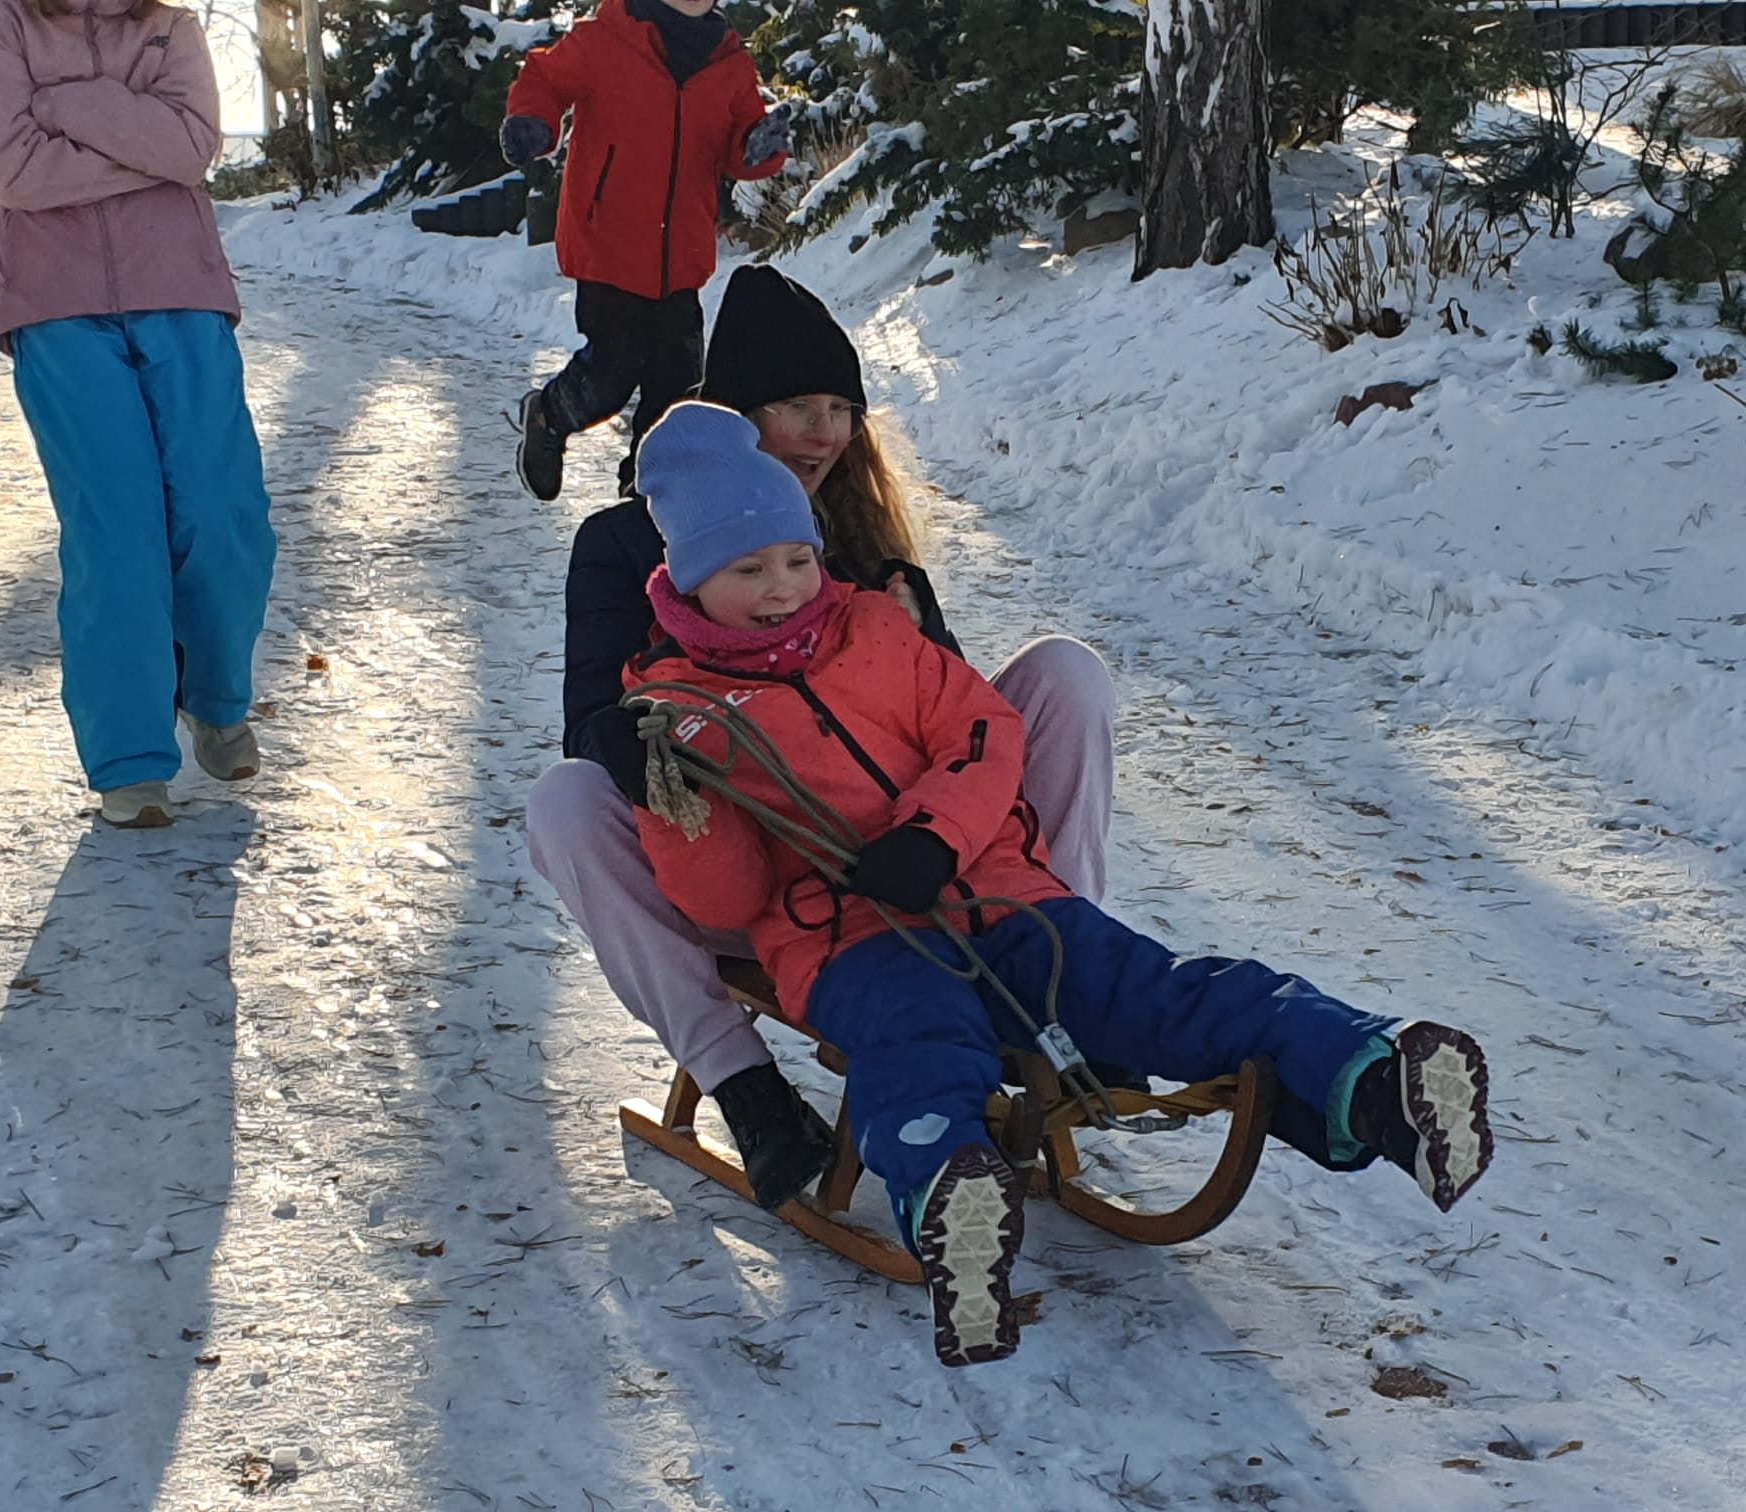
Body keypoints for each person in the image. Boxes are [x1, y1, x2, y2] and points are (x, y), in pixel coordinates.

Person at [622, 401, 1496, 1367]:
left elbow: (982, 731)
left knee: (1147, 987)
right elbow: (724, 902)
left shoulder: (874, 628)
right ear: (692, 579)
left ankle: (1373, 1077)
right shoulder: (681, 711)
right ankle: (951, 1198)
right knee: (917, 1043)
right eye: (748, 570)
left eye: (796, 558)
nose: (783, 588)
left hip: (998, 890)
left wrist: (936, 835)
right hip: (849, 941)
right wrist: (675, 799)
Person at [527, 264, 1118, 1215]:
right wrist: (671, 715)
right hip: (753, 872)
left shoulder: (859, 539)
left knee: (1065, 673)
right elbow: (590, 724)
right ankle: (746, 1088)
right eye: (799, 406)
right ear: (731, 417)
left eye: (843, 410)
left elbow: (958, 722)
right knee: (564, 801)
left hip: (913, 860)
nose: (827, 433)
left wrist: (922, 631)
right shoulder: (620, 544)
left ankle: (1065, 977)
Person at [0, 0, 276, 828]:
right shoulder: (4, 27)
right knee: (117, 527)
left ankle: (214, 699)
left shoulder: (172, 26)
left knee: (223, 511)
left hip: (182, 291)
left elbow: (192, 148)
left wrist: (69, 104)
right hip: (55, 306)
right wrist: (142, 139)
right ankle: (130, 754)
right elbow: (13, 172)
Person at [498, 0, 792, 501]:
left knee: (679, 395)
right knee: (611, 376)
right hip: (608, 245)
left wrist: (759, 149)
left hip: (681, 258)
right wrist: (533, 120)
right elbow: (544, 79)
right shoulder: (606, 37)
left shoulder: (730, 62)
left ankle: (647, 498)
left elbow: (739, 143)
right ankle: (548, 416)